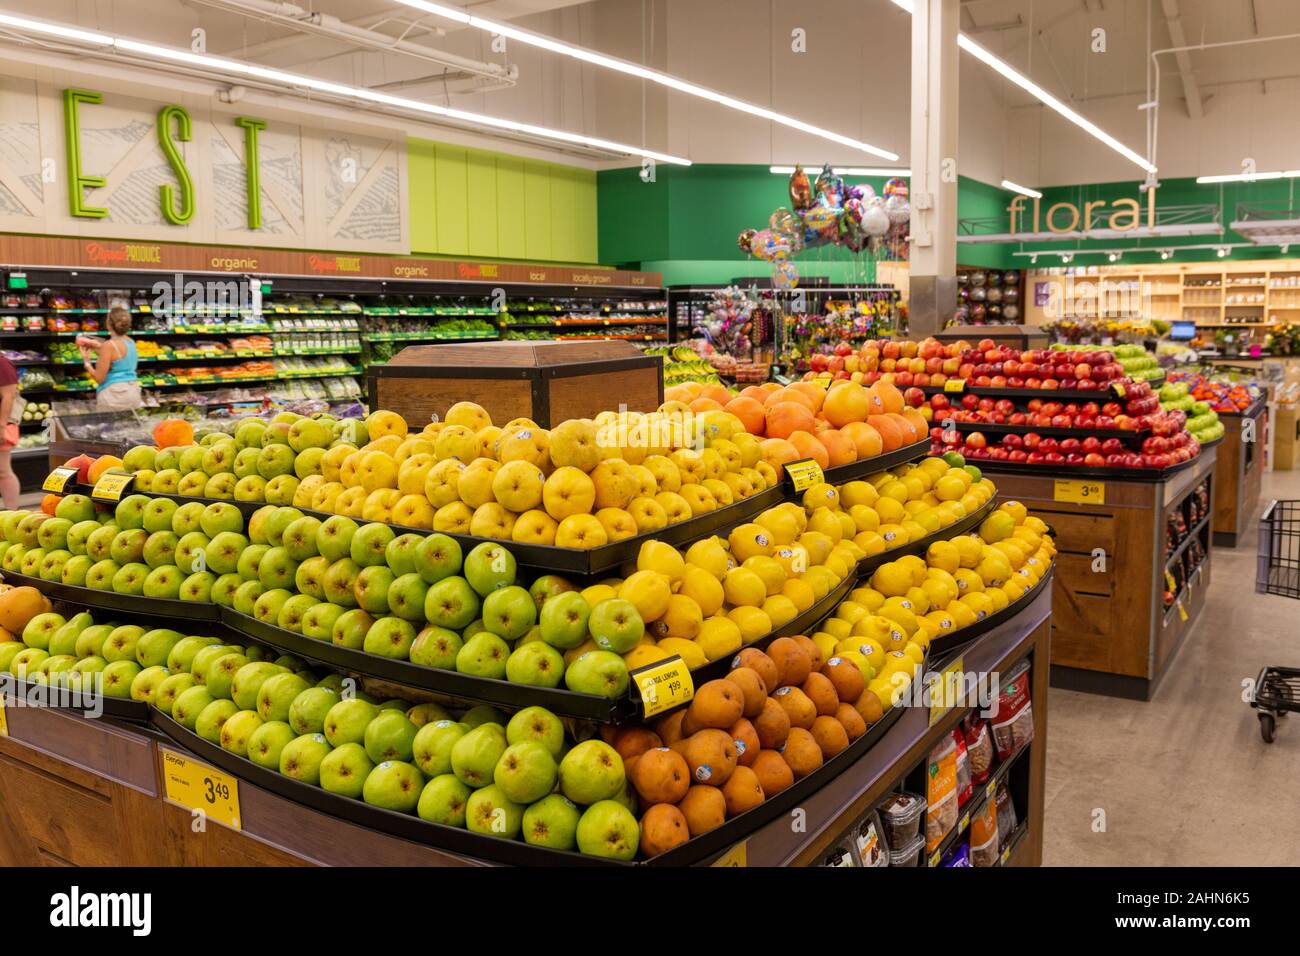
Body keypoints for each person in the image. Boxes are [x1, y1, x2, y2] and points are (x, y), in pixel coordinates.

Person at [77, 306, 142, 412]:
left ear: (108, 324)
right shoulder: (131, 342)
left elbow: (99, 378)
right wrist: (97, 346)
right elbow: (118, 358)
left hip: (115, 395)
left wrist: (87, 362)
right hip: (133, 391)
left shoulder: (109, 345)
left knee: (109, 428)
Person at [0, 354, 19, 509]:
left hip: (1, 425)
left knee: (3, 471)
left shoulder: (3, 363)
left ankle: (11, 512)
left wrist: (1, 426)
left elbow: (9, 396)